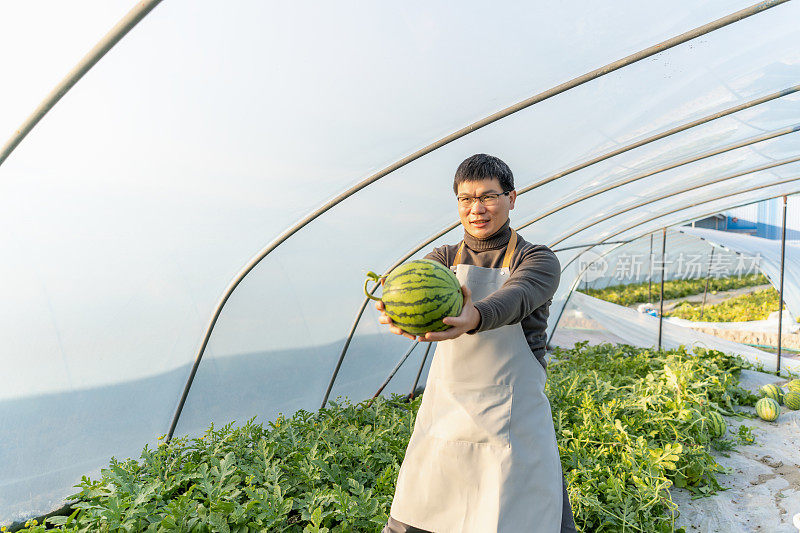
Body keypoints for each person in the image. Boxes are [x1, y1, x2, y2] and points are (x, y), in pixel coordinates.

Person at [376, 154, 577, 533]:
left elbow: (516, 297)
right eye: (465, 199)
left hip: (513, 423)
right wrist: (395, 311)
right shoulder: (442, 260)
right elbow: (409, 292)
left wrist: (474, 316)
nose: (476, 209)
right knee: (420, 516)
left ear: (512, 198)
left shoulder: (537, 259)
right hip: (447, 414)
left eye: (488, 197)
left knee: (523, 518)